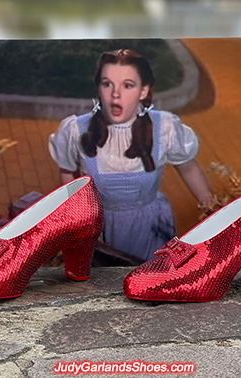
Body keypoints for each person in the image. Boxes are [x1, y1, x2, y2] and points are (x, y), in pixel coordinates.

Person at [49, 49, 212, 262]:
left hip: (151, 227)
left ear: (143, 91)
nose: (115, 94)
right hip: (102, 231)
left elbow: (189, 168)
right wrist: (83, 223)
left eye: (127, 85)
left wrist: (212, 209)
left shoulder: (164, 128)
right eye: (107, 84)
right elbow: (68, 172)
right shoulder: (76, 130)